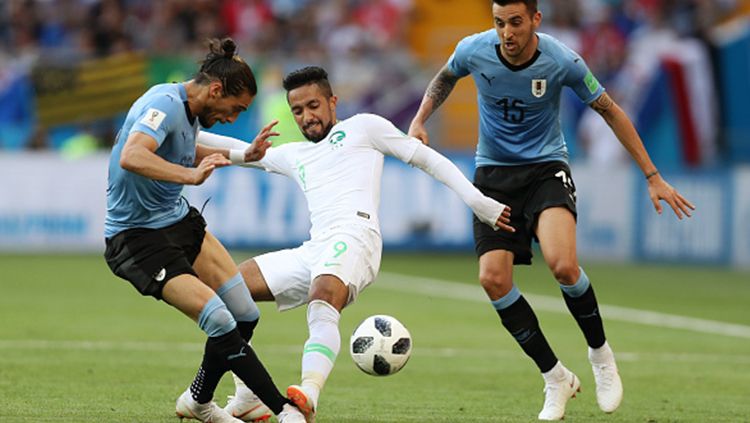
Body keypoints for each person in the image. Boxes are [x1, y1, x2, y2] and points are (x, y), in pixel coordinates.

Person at [407, 0, 696, 420]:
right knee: (492, 279)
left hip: (546, 170)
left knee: (562, 265)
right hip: (493, 175)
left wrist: (652, 175)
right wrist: (420, 119)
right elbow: (445, 76)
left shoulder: (563, 61)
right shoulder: (474, 48)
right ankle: (555, 376)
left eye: (516, 23)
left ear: (535, 20)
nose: (507, 32)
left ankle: (600, 355)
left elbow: (610, 111)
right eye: (500, 23)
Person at [196, 65, 515, 422]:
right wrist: (182, 133)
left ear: (332, 102)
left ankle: (308, 394)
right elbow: (237, 149)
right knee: (231, 290)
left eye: (313, 105)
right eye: (298, 110)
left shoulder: (364, 127)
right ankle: (246, 397)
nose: (307, 116)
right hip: (315, 248)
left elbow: (426, 158)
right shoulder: (295, 155)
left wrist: (477, 201)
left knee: (323, 297)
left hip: (356, 238)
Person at [103, 38, 307, 423]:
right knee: (219, 320)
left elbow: (181, 147)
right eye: (235, 108)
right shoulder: (163, 103)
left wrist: (242, 156)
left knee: (245, 314)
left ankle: (198, 401)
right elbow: (133, 155)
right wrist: (189, 177)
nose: (233, 117)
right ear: (216, 89)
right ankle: (283, 411)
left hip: (178, 222)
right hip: (137, 238)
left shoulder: (191, 109)